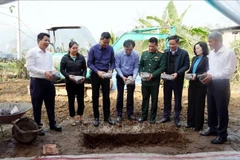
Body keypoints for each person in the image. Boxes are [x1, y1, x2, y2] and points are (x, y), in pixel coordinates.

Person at [200, 31, 237, 144]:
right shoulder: (211, 54)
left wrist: (212, 76)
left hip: (222, 84)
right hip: (211, 83)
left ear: (218, 41)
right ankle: (212, 129)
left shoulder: (228, 53)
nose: (209, 44)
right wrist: (206, 75)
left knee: (221, 110)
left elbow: (229, 72)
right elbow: (212, 69)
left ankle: (222, 134)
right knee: (211, 107)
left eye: (210, 41)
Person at [25, 32, 62, 136]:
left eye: (48, 41)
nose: (47, 43)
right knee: (37, 105)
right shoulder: (32, 52)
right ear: (39, 41)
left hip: (49, 82)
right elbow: (29, 68)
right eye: (45, 40)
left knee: (51, 104)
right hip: (37, 82)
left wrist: (54, 72)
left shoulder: (49, 54)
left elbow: (50, 67)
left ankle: (52, 124)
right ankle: (38, 126)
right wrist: (44, 72)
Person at [160, 35, 190, 127]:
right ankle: (166, 116)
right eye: (170, 44)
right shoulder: (165, 52)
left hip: (177, 80)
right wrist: (163, 71)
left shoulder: (184, 53)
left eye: (173, 44)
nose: (171, 46)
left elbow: (186, 66)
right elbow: (162, 64)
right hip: (167, 79)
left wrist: (178, 73)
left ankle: (177, 117)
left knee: (177, 98)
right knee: (166, 98)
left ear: (177, 43)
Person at [87, 32, 115, 127]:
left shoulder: (110, 49)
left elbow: (112, 61)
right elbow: (89, 63)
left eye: (107, 43)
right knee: (95, 96)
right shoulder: (93, 49)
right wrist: (98, 72)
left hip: (106, 74)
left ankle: (107, 117)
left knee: (106, 96)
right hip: (96, 75)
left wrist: (110, 70)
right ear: (100, 39)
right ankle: (96, 118)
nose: (105, 45)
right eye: (104, 43)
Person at [138, 37, 166, 124]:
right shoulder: (144, 54)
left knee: (154, 99)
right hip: (145, 81)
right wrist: (140, 73)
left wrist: (153, 75)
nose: (151, 48)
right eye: (149, 46)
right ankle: (143, 116)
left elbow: (162, 67)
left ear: (156, 45)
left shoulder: (161, 55)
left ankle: (152, 117)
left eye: (153, 46)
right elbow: (140, 65)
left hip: (154, 82)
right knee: (145, 98)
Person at [60, 41, 87, 126]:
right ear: (69, 49)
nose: (75, 50)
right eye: (73, 48)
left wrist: (83, 77)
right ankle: (72, 118)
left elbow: (85, 69)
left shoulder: (81, 57)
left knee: (81, 100)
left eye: (76, 48)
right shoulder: (65, 58)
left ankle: (81, 117)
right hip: (70, 83)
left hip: (80, 82)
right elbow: (62, 70)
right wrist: (68, 76)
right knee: (71, 100)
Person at [186, 42, 209, 131]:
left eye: (198, 48)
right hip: (192, 83)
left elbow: (206, 72)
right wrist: (188, 74)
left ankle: (198, 125)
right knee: (191, 102)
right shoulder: (194, 58)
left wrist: (197, 75)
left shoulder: (206, 59)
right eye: (195, 48)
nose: (196, 50)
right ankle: (190, 122)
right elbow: (191, 70)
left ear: (203, 48)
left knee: (199, 104)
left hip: (201, 84)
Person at [115, 39, 139, 123]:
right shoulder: (118, 54)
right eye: (126, 49)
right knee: (120, 94)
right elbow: (117, 67)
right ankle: (119, 114)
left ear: (133, 48)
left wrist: (134, 77)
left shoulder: (136, 55)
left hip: (131, 76)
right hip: (120, 76)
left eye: (130, 49)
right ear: (124, 47)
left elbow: (136, 67)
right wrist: (122, 76)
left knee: (130, 95)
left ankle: (130, 114)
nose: (128, 51)